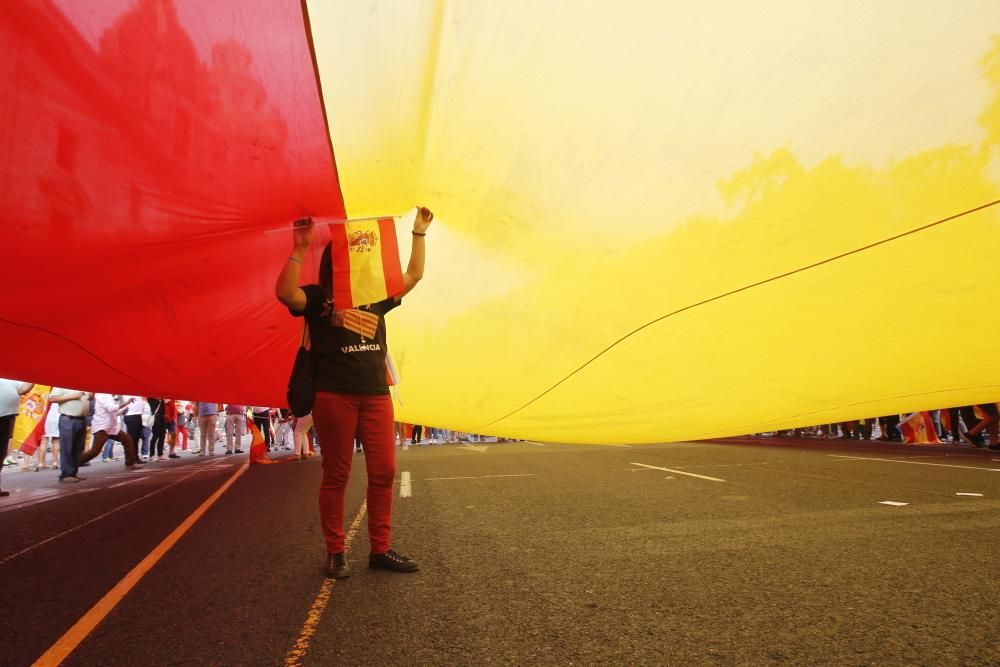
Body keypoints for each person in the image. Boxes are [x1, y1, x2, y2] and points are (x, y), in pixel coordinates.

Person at [275, 207, 433, 578]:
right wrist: (300, 247)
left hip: (375, 394)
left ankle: (380, 549)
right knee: (337, 474)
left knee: (385, 471)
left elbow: (413, 275)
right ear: (335, 264)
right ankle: (335, 551)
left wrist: (418, 233)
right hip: (334, 396)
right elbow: (284, 292)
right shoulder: (317, 298)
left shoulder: (376, 297)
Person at [80, 394, 142, 469]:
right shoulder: (102, 395)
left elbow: (112, 412)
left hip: (111, 427)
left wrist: (123, 410)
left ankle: (130, 463)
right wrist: (126, 403)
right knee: (95, 451)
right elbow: (110, 408)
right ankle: (74, 463)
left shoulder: (108, 396)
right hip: (102, 427)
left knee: (127, 439)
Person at [48, 388, 92, 483]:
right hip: (68, 419)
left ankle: (72, 473)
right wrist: (73, 396)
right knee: (67, 447)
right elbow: (52, 399)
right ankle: (66, 474)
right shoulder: (62, 385)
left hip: (81, 419)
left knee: (78, 448)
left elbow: (90, 397)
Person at [0, 379, 35, 496]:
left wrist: (36, 377)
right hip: (3, 417)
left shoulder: (9, 378)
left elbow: (23, 389)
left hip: (6, 418)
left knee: (1, 453)